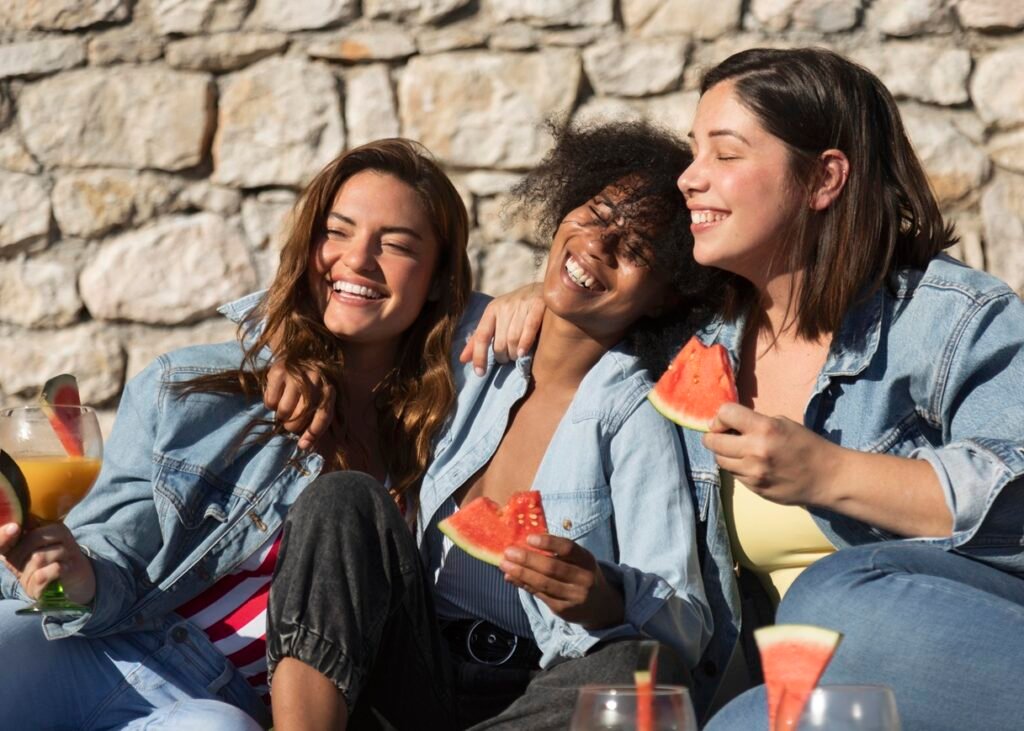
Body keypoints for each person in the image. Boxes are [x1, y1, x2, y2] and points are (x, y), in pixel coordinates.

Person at [464, 48, 1024, 730]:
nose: (691, 179)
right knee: (744, 714)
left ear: (823, 178)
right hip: (804, 701)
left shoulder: (952, 317)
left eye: (724, 155)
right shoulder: (694, 344)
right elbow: (596, 295)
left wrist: (829, 472)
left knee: (831, 598)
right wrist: (538, 300)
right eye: (695, 152)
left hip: (964, 665)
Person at [263, 120, 724, 731]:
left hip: (532, 683)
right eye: (594, 214)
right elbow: (351, 306)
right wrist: (292, 358)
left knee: (639, 670)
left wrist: (605, 597)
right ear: (562, 211)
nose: (599, 245)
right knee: (342, 499)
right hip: (409, 664)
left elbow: (687, 622)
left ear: (667, 295)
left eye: (637, 250)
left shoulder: (633, 415)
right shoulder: (472, 348)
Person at [0, 138, 472, 730]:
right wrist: (75, 579)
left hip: (215, 703)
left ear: (437, 279)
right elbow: (112, 547)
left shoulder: (454, 431)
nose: (357, 260)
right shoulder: (194, 388)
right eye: (338, 232)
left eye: (397, 244)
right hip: (98, 645)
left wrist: (528, 301)